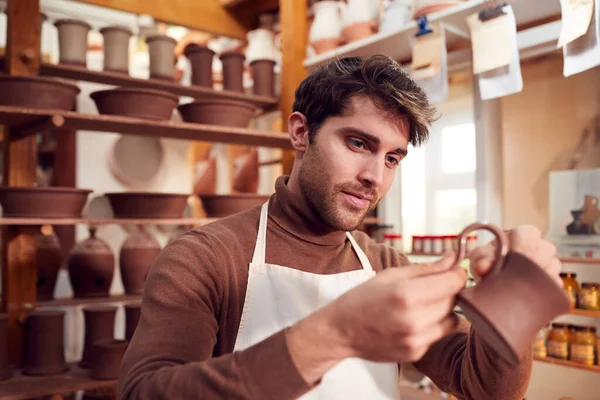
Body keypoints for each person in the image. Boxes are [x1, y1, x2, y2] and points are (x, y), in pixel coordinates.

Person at [118, 55, 562, 399]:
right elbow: (143, 393)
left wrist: (514, 300)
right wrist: (333, 334)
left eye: (392, 158)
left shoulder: (385, 264)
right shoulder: (205, 259)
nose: (375, 176)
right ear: (300, 133)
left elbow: (486, 388)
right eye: (357, 143)